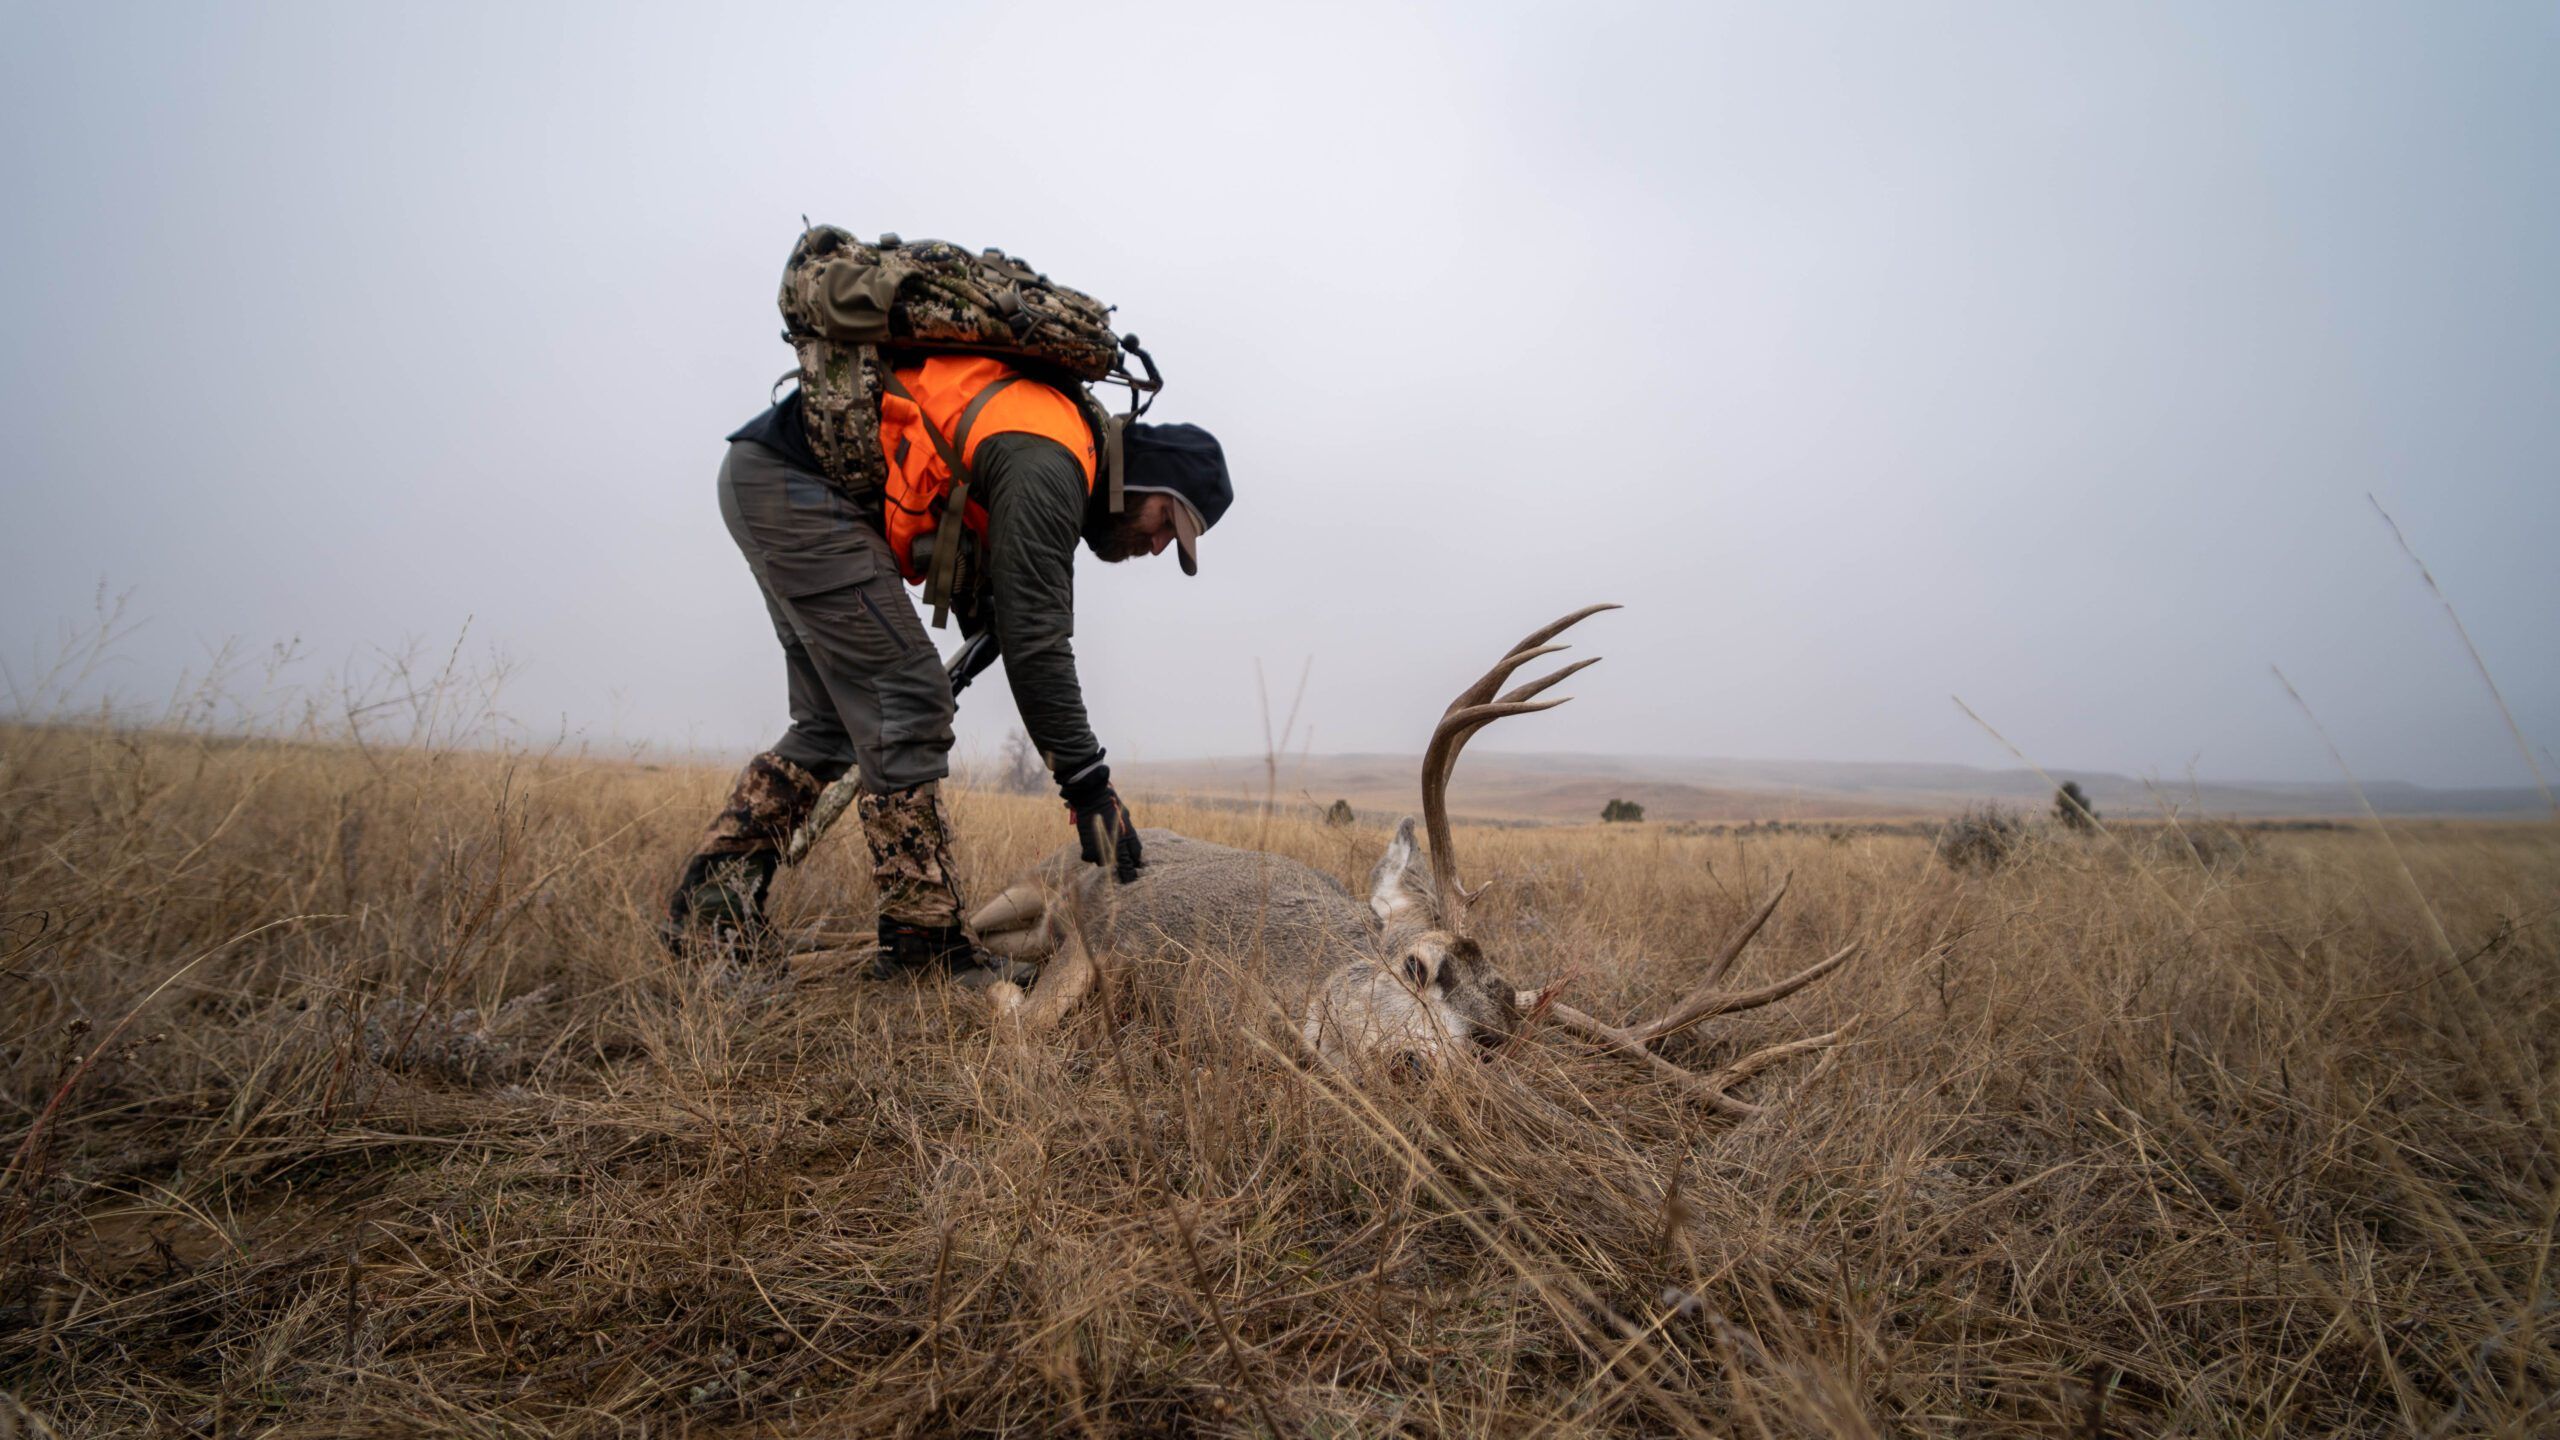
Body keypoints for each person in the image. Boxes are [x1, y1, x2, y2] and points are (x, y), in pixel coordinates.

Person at [663, 352, 1232, 986]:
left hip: (768, 477)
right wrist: (1088, 784)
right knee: (907, 698)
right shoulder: (1054, 457)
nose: (1156, 546)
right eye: (1165, 524)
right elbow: (1038, 639)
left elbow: (983, 560)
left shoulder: (1055, 446)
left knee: (830, 723)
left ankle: (710, 911)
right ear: (1149, 478)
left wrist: (989, 610)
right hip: (796, 487)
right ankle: (922, 951)